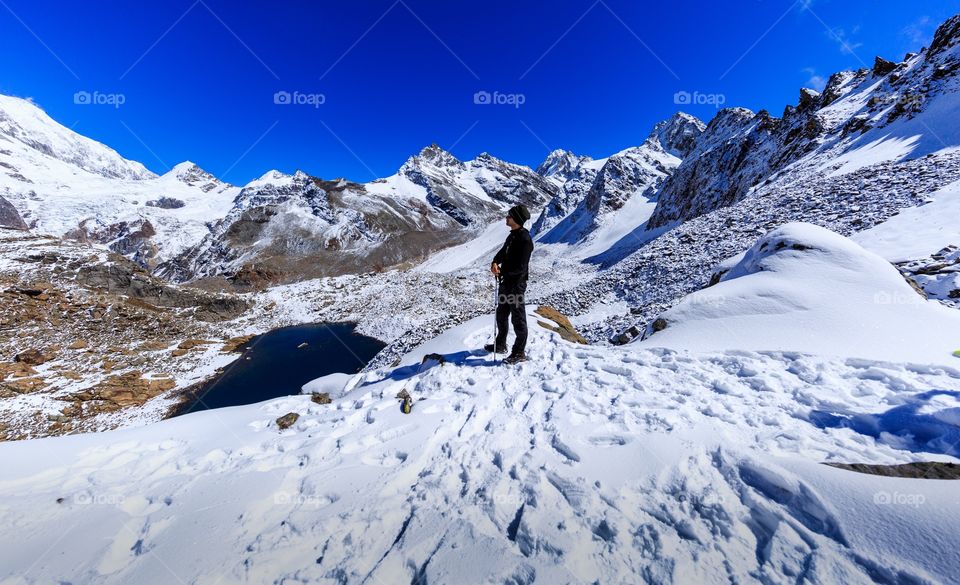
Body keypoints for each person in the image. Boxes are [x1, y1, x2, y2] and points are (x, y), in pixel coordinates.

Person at [485, 204, 534, 364]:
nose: (507, 218)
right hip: (506, 284)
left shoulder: (525, 240)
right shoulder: (513, 235)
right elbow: (503, 251)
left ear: (517, 219)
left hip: (516, 287)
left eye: (510, 216)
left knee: (518, 319)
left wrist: (502, 273)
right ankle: (500, 344)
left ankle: (519, 352)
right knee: (502, 314)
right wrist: (495, 262)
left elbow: (521, 268)